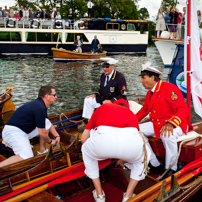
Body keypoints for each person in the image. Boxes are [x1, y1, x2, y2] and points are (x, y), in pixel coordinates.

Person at [81, 99, 151, 202]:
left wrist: (101, 154)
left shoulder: (102, 108)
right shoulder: (131, 114)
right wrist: (122, 159)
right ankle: (128, 196)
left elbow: (83, 139)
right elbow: (130, 140)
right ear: (127, 108)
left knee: (86, 151)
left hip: (101, 144)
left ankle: (99, 194)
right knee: (145, 155)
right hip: (130, 149)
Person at [136, 62, 192, 178]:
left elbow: (183, 109)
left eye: (143, 78)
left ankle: (171, 169)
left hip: (177, 123)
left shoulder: (169, 88)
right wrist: (129, 123)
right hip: (157, 123)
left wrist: (171, 123)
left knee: (167, 135)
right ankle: (154, 163)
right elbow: (144, 111)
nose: (141, 81)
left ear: (152, 78)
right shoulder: (149, 94)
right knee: (135, 131)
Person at [0, 86, 60, 167]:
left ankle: (42, 150)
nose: (56, 97)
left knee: (46, 122)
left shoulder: (40, 104)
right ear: (47, 96)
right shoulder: (39, 108)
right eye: (54, 95)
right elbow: (42, 134)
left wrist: (57, 136)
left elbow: (47, 123)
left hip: (22, 131)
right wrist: (50, 141)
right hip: (12, 133)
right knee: (27, 156)